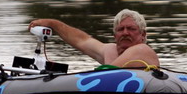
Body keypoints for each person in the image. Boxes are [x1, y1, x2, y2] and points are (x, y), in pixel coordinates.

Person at [28, 9, 160, 68]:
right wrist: (53, 24)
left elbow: (109, 72)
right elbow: (82, 40)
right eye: (120, 29)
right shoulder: (109, 51)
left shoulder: (143, 50)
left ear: (143, 35)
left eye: (131, 29)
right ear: (115, 36)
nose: (125, 33)